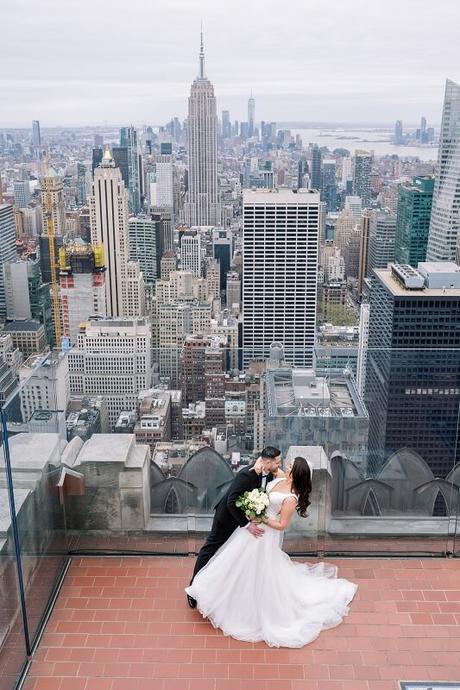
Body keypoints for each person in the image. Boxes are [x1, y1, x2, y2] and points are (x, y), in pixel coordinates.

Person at [185, 457, 357, 648]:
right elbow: (266, 467)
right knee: (236, 562)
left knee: (257, 567)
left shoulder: (291, 498)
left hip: (264, 535)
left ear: (296, 472)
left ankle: (249, 606)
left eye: (291, 465)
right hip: (251, 529)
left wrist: (261, 518)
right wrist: (258, 468)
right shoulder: (281, 477)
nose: (287, 466)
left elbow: (282, 525)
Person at [186, 446, 282, 608]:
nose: (279, 465)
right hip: (227, 518)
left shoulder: (270, 474)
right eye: (277, 462)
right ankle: (193, 588)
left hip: (246, 518)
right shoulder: (247, 474)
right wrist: (247, 525)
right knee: (210, 549)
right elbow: (231, 501)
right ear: (266, 462)